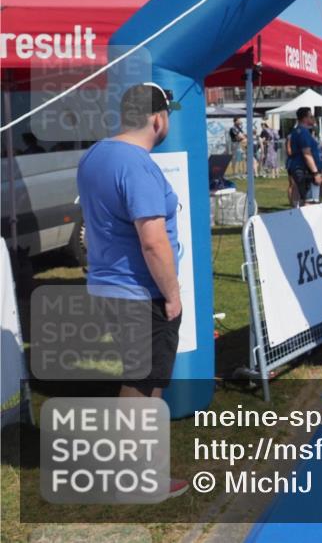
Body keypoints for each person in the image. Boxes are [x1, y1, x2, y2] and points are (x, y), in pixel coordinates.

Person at [76, 82, 189, 499]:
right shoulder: (137, 165)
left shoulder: (94, 156)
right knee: (143, 385)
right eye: (168, 116)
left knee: (137, 378)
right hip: (140, 291)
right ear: (158, 119)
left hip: (108, 285)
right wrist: (172, 294)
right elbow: (153, 240)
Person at [286, 107, 322, 208]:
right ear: (304, 118)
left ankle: (297, 213)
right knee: (310, 202)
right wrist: (315, 173)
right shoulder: (303, 132)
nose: (313, 119)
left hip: (301, 168)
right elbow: (307, 154)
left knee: (304, 198)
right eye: (311, 116)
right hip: (305, 170)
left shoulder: (298, 131)